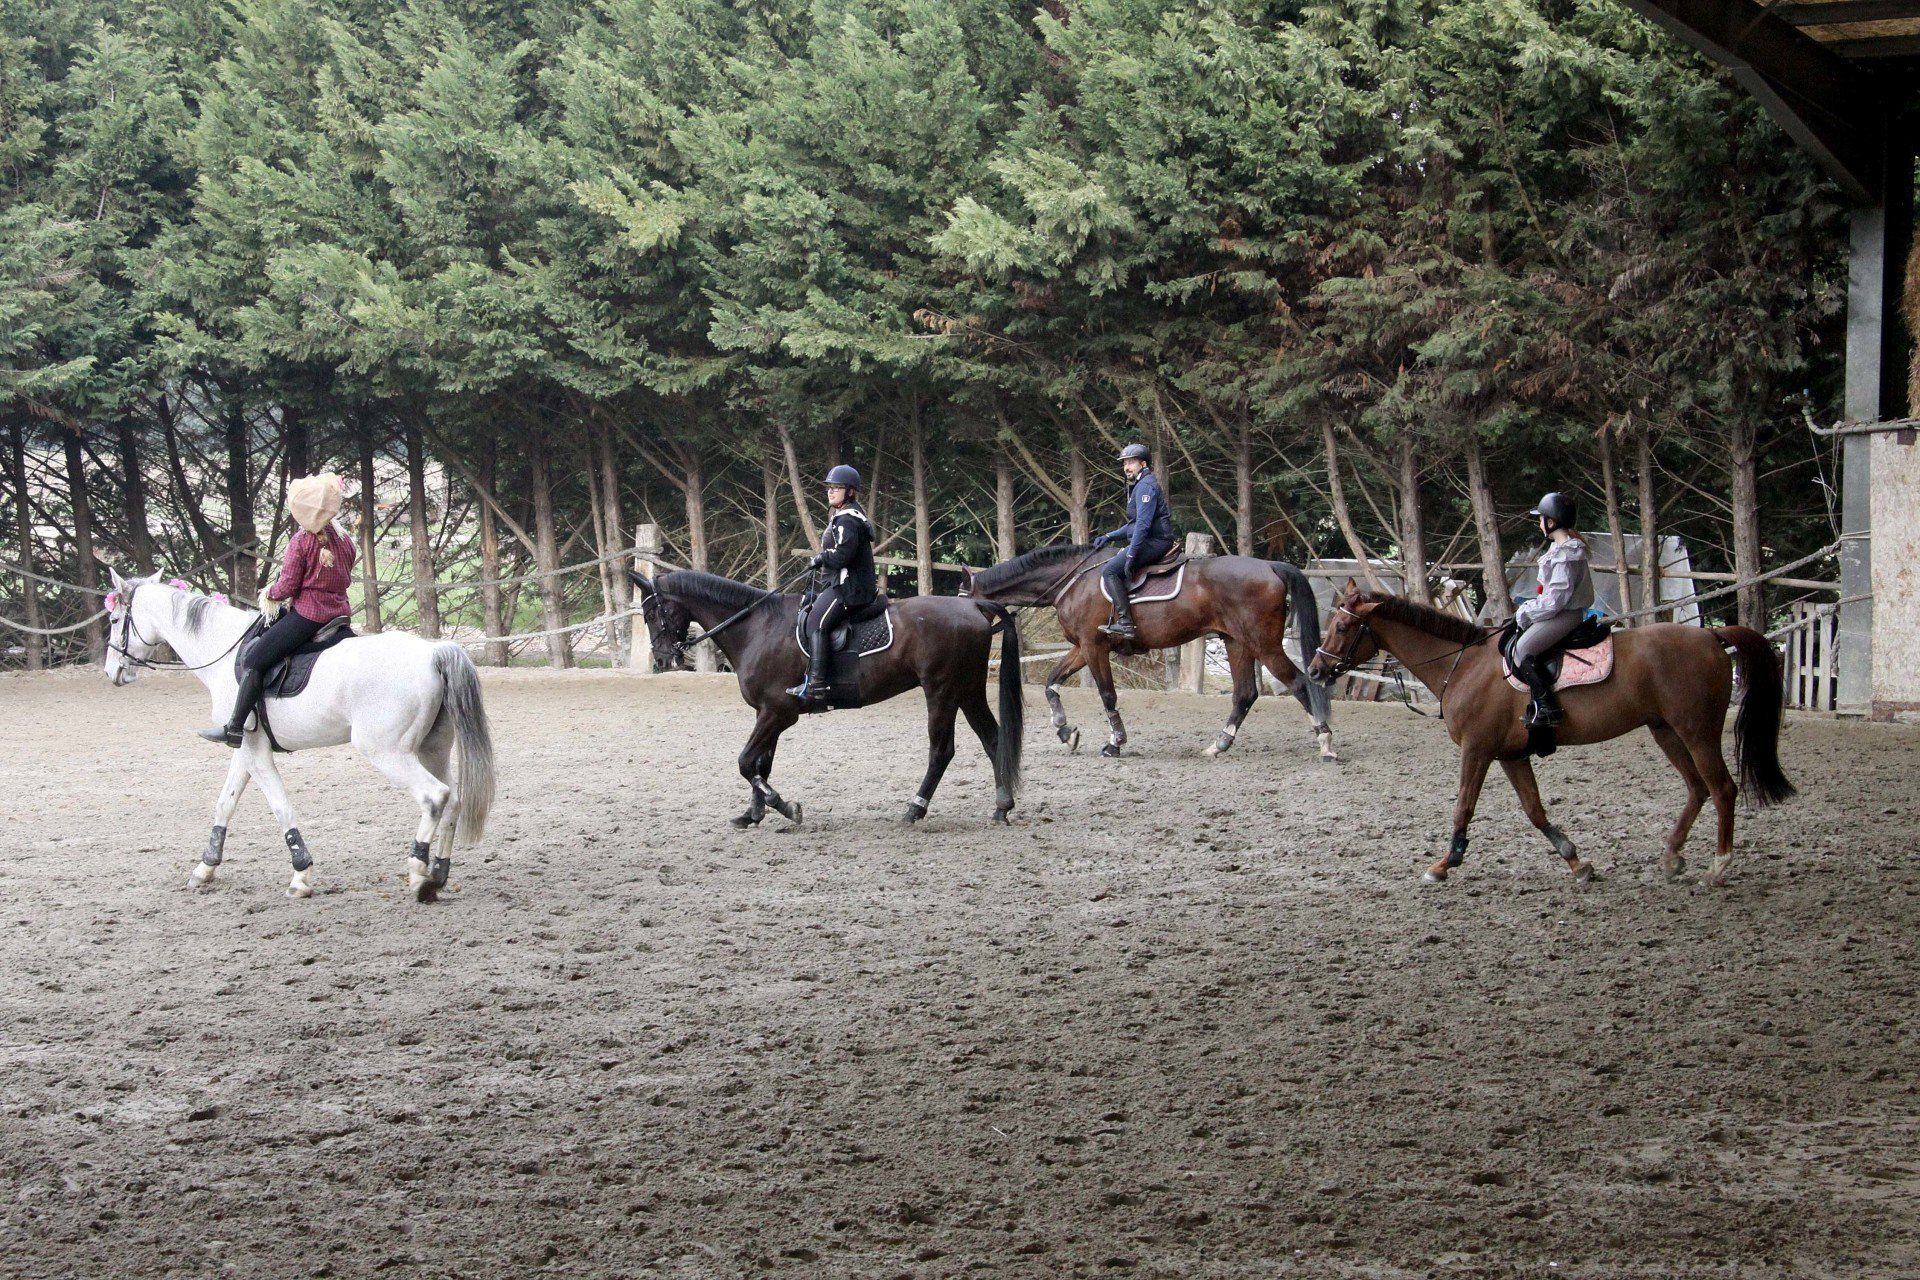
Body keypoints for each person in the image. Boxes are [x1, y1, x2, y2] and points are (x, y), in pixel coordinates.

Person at [199, 473, 357, 746]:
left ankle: (235, 728)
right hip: (339, 613)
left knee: (256, 658)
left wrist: (268, 594)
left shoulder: (301, 541)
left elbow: (287, 587)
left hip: (310, 616)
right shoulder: (343, 538)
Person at [787, 464, 878, 709]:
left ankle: (815, 685)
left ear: (850, 492)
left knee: (817, 621)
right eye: (829, 487)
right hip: (844, 583)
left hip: (851, 589)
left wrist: (821, 558)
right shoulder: (845, 515)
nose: (831, 492)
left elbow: (843, 555)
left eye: (837, 488)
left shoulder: (847, 519)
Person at [1510, 491, 1594, 727]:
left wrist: (1525, 611)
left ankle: (1548, 707)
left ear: (1552, 521)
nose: (1539, 524)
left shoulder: (1566, 553)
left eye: (1541, 519)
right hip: (1559, 613)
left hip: (1565, 615)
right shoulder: (1560, 549)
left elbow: (1555, 601)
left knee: (1523, 649)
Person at [1092, 443, 1174, 641]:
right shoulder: (1139, 485)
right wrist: (1110, 536)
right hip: (1148, 538)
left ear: (1143, 464)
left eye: (1131, 462)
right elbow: (1134, 524)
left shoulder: (1145, 486)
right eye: (1125, 463)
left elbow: (1143, 526)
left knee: (1110, 571)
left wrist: (1131, 553)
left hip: (1156, 541)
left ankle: (1126, 624)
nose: (1126, 467)